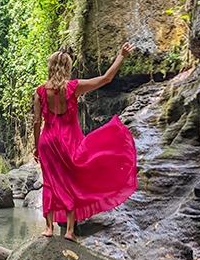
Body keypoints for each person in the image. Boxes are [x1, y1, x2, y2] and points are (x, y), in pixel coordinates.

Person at [33, 44, 137, 242]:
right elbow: (106, 78)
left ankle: (48, 228)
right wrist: (121, 55)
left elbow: (37, 121)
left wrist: (36, 146)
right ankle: (71, 231)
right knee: (70, 182)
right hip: (69, 141)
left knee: (50, 182)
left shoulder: (39, 92)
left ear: (50, 67)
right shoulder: (74, 87)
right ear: (67, 68)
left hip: (47, 142)